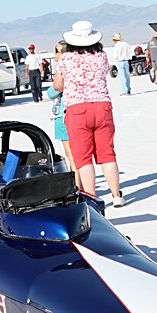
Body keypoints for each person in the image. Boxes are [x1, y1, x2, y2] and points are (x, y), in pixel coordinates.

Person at [53, 20, 124, 207]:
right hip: (102, 106)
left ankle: (92, 198)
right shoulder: (101, 55)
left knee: (83, 158)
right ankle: (116, 195)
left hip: (77, 109)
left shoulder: (66, 59)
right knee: (107, 154)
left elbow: (57, 85)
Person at [47, 41, 81, 190]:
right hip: (75, 112)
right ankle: (79, 183)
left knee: (71, 154)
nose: (54, 53)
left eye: (57, 50)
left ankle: (76, 186)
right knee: (76, 153)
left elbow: (52, 92)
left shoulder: (62, 70)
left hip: (62, 115)